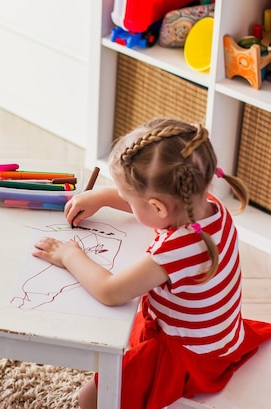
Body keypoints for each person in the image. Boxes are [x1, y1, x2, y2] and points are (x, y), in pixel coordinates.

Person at [32, 118, 271, 409]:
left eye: (128, 200)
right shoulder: (207, 207)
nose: (125, 202)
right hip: (217, 337)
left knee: (90, 398)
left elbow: (110, 291)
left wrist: (69, 255)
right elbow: (158, 211)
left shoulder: (177, 249)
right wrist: (106, 196)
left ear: (157, 207)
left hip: (188, 358)